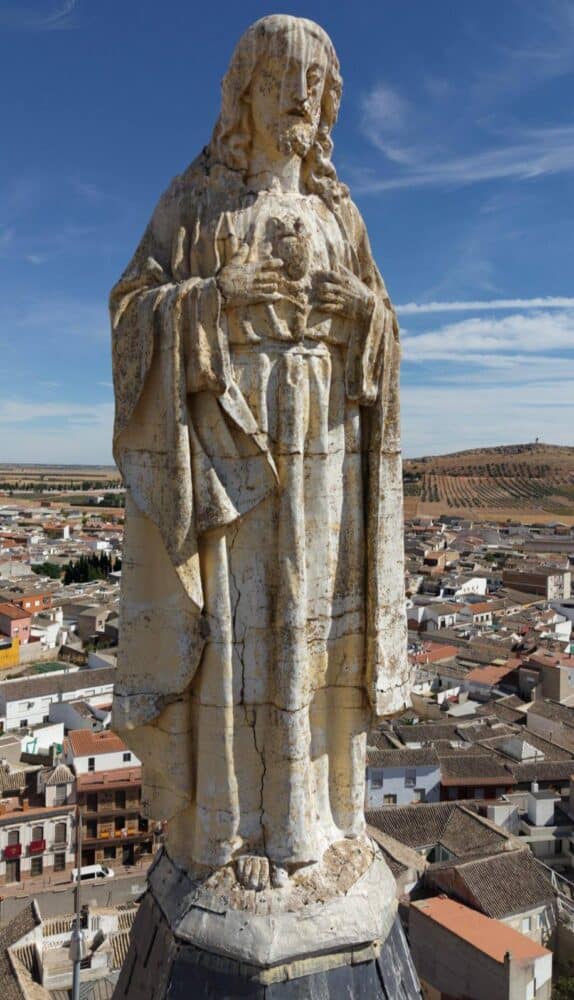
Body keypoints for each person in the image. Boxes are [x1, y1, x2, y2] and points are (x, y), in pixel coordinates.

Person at [111, 14, 409, 891]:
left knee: (313, 628)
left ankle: (312, 816)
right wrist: (215, 297)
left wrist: (360, 312)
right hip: (228, 444)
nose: (302, 99)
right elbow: (132, 310)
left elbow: (385, 326)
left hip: (326, 450)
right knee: (241, 628)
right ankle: (233, 825)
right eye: (285, 78)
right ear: (246, 88)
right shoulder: (192, 200)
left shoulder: (337, 211)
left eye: (316, 83)